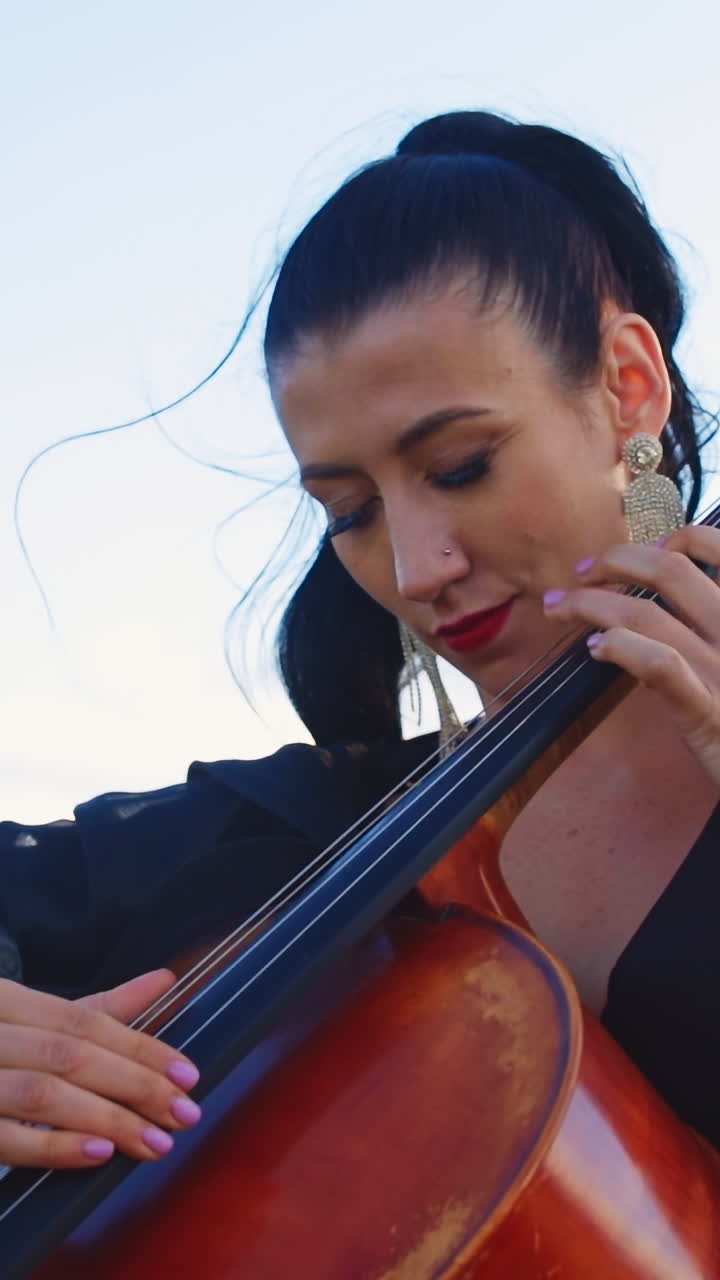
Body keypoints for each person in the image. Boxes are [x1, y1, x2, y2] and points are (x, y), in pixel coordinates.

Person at [2, 109, 720, 1174]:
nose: (417, 565)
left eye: (462, 463)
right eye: (349, 511)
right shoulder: (300, 835)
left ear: (627, 384)